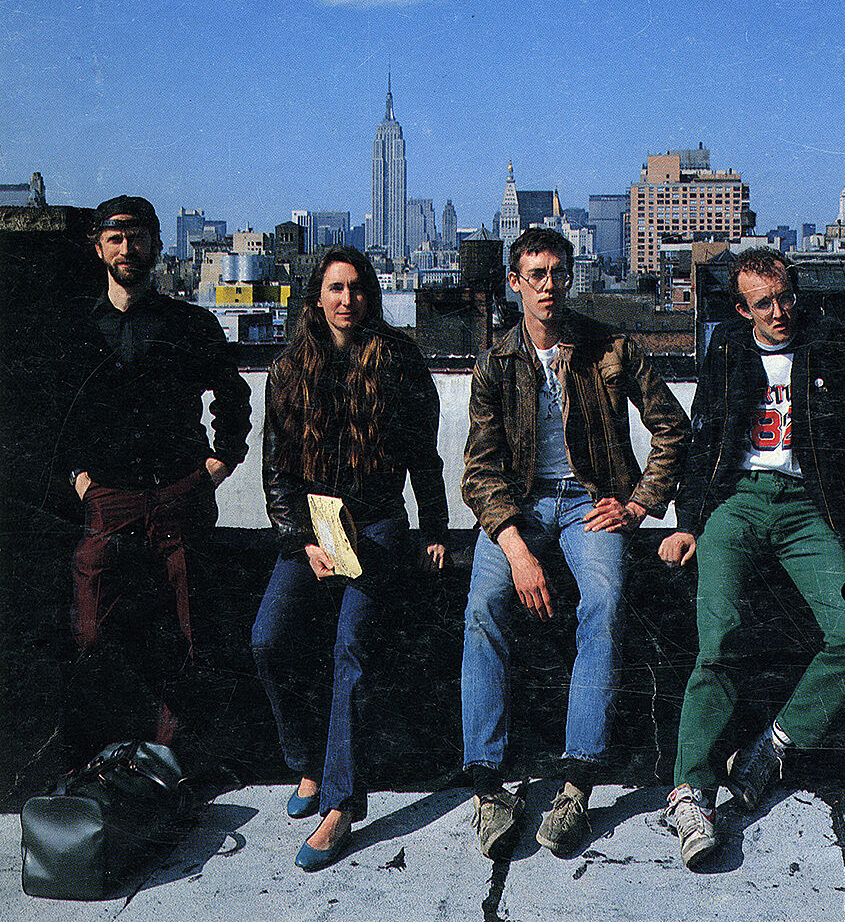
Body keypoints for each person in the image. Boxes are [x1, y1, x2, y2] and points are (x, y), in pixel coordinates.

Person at [460, 228, 689, 859]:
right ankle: (488, 784)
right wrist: (517, 548)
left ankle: (575, 781)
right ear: (515, 282)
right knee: (482, 611)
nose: (548, 284)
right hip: (519, 507)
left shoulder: (608, 348)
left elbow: (672, 427)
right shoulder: (496, 361)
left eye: (558, 271)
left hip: (591, 505)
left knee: (604, 608)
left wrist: (641, 503)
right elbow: (479, 471)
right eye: (535, 273)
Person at [658, 247, 845, 868]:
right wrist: (687, 524)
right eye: (763, 303)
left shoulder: (826, 345)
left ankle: (774, 746)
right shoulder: (726, 348)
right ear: (741, 307)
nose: (778, 312)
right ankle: (690, 792)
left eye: (784, 297)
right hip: (737, 506)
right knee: (718, 636)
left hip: (809, 511)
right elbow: (702, 440)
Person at [251, 246, 448, 872]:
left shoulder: (398, 360)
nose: (346, 300)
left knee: (352, 648)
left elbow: (425, 456)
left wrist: (434, 529)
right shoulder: (288, 369)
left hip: (378, 524)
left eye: (357, 288)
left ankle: (341, 805)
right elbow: (277, 473)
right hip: (312, 528)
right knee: (269, 641)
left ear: (371, 296)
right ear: (316, 298)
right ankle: (307, 761)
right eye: (335, 288)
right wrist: (301, 540)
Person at [65, 195, 251, 763]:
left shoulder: (188, 324)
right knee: (94, 625)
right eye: (116, 239)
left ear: (156, 245)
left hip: (178, 492)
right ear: (98, 248)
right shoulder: (80, 329)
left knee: (191, 627)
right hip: (110, 498)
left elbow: (233, 399)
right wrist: (79, 480)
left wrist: (217, 468)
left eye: (138, 237)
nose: (128, 249)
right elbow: (54, 412)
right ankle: (105, 754)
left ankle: (178, 760)